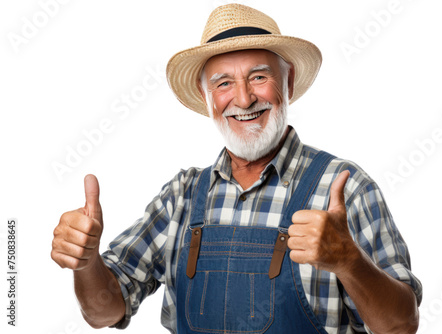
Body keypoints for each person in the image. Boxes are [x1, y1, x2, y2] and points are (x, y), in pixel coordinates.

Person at [51, 4, 422, 334]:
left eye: (259, 76)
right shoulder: (181, 196)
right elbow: (103, 312)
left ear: (288, 81)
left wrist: (350, 262)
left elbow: (401, 326)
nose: (243, 98)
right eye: (224, 83)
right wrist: (86, 264)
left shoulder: (344, 188)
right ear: (206, 97)